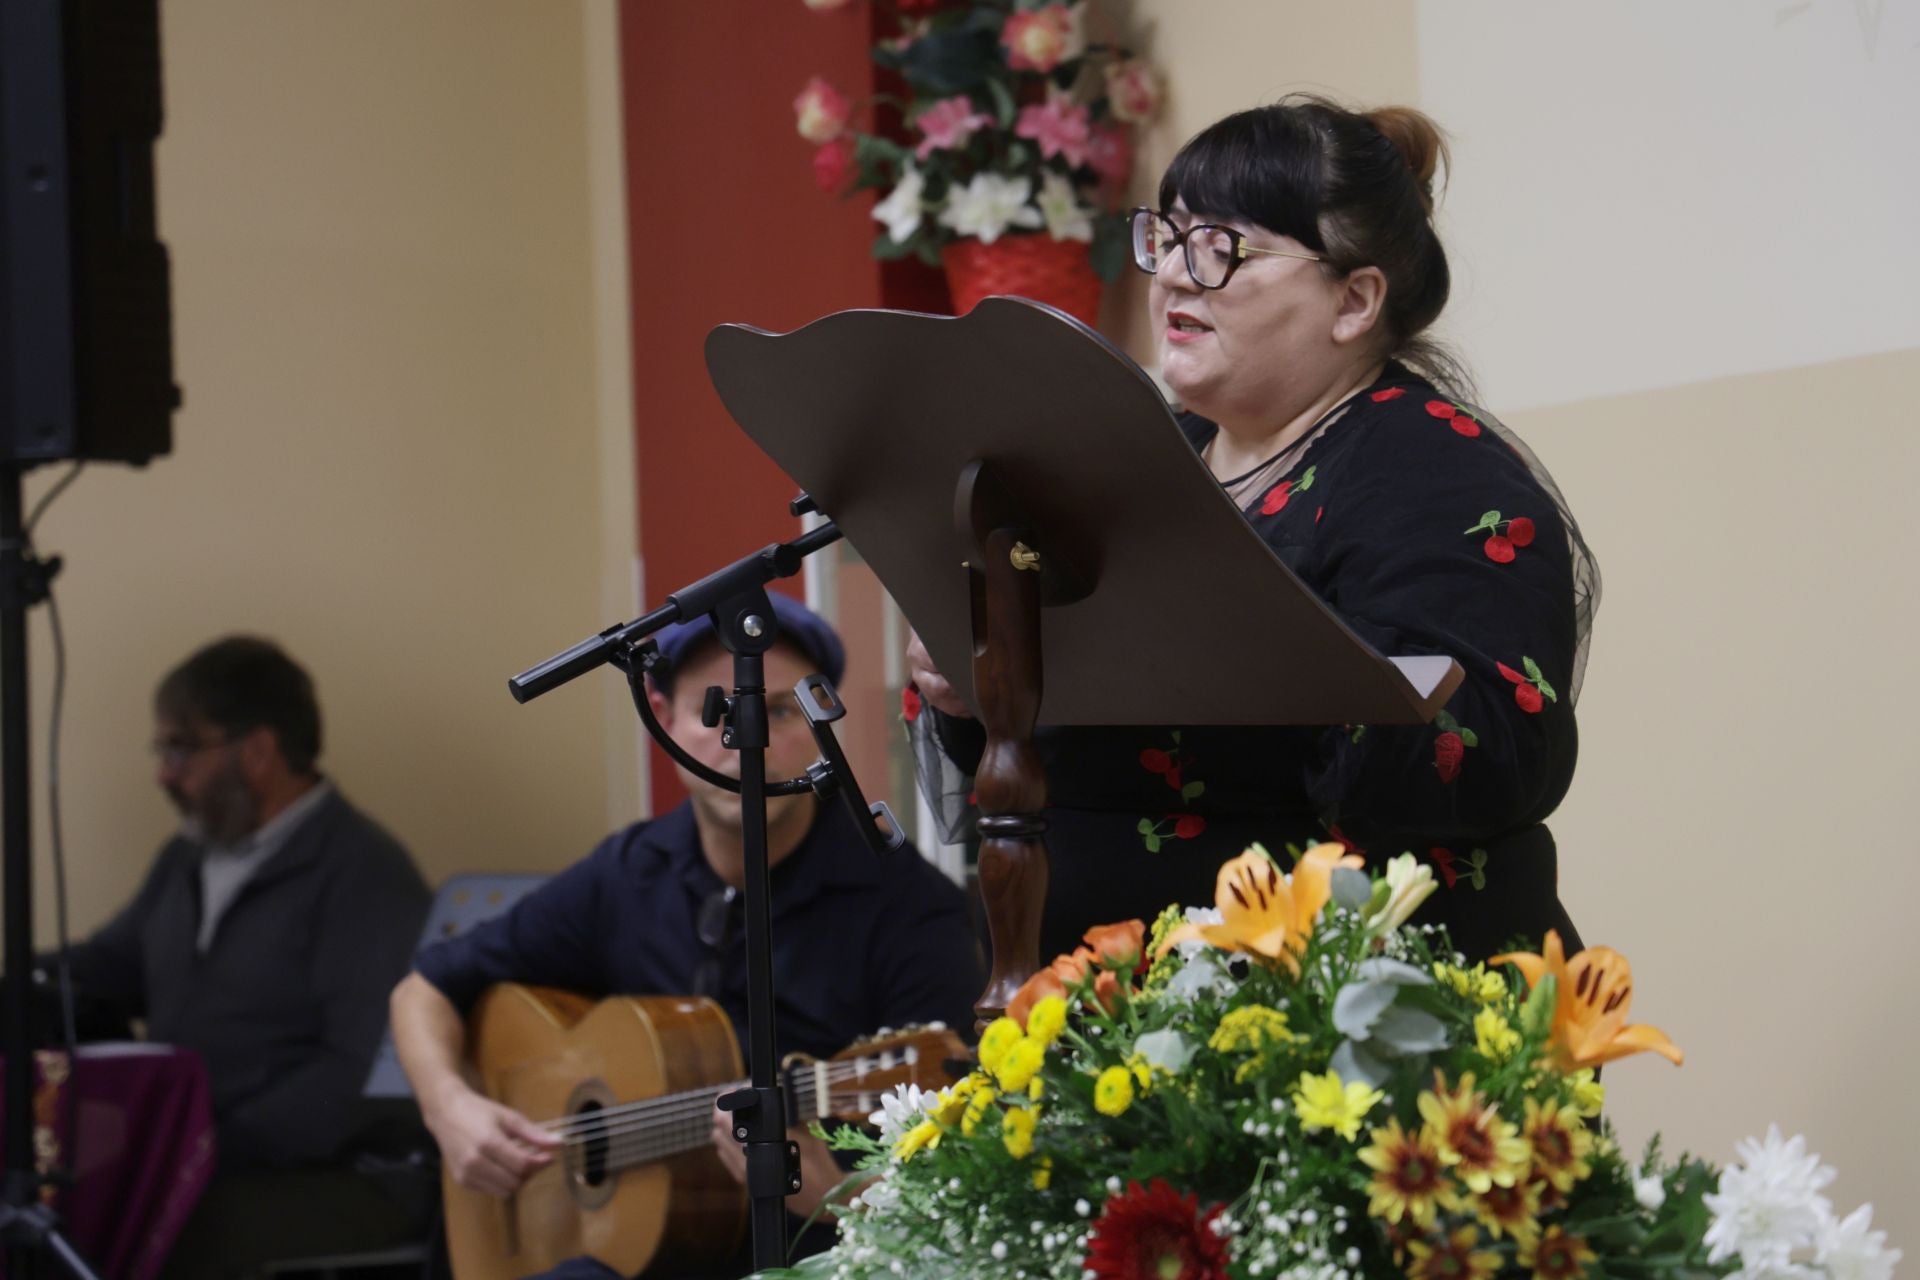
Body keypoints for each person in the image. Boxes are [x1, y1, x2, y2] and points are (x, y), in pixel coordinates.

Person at [909, 96, 1598, 966]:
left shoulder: (1435, 471)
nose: (1174, 277)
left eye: (1222, 248)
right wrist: (970, 684)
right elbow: (1056, 749)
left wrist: (1255, 649)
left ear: (1353, 301)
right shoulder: (1134, 465)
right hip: (1092, 1004)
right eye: (1169, 237)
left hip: (1354, 1020)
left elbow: (1496, 753)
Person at [391, 593, 982, 1279]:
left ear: (824, 728)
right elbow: (423, 988)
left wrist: (836, 1199)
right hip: (624, 1251)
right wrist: (449, 1107)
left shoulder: (909, 908)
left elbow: (963, 1186)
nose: (743, 741)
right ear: (665, 720)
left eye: (779, 711)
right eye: (715, 712)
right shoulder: (628, 873)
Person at [59, 635, 433, 1276]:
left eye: (180, 749)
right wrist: (25, 983)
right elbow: (108, 968)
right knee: (59, 1218)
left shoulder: (363, 873)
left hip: (340, 1179)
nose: (164, 775)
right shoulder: (189, 859)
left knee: (148, 1239)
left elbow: (359, 1075)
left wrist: (200, 1143)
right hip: (208, 1157)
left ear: (257, 751)